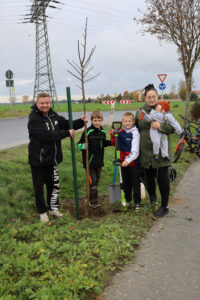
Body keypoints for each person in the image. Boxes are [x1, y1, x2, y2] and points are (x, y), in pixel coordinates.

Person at [28, 92, 88, 222]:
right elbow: (45, 135)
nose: (45, 105)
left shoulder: (53, 115)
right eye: (42, 103)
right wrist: (65, 133)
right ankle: (42, 211)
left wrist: (80, 121)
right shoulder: (34, 118)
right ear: (37, 103)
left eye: (47, 103)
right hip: (38, 160)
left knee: (53, 185)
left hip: (52, 159)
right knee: (39, 187)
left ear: (50, 103)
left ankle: (53, 208)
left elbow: (66, 124)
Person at [135, 84, 180, 217]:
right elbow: (135, 128)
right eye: (148, 97)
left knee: (162, 178)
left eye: (154, 96)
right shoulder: (139, 111)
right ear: (145, 98)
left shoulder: (164, 109)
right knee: (148, 178)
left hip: (160, 151)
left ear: (157, 97)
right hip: (145, 151)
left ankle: (164, 206)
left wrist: (161, 126)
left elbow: (173, 127)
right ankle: (153, 200)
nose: (151, 99)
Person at [77, 110, 112, 208]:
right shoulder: (88, 131)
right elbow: (79, 145)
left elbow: (103, 143)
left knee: (96, 181)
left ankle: (88, 197)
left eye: (99, 120)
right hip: (89, 163)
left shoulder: (103, 132)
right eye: (95, 120)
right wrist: (83, 146)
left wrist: (113, 142)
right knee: (92, 183)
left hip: (99, 162)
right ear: (91, 121)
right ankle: (93, 202)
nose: (97, 122)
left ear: (102, 121)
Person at [110, 112, 141, 210]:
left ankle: (137, 202)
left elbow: (135, 151)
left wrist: (127, 160)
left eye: (129, 121)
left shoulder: (135, 133)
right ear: (122, 122)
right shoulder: (121, 132)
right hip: (122, 162)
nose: (127, 123)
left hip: (133, 163)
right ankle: (128, 200)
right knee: (126, 183)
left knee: (135, 183)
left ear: (133, 122)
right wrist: (113, 135)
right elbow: (115, 143)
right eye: (125, 121)